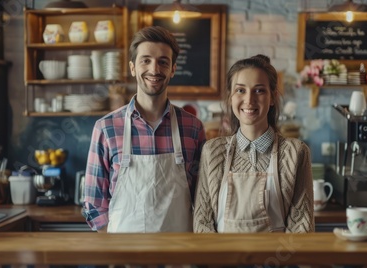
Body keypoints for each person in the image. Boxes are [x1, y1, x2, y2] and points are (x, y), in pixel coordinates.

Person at [83, 26, 206, 233]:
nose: (154, 70)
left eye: (163, 62)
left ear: (173, 69)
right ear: (133, 68)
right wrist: (116, 249)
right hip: (124, 255)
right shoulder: (106, 128)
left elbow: (203, 198)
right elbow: (94, 204)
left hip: (179, 254)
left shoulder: (193, 128)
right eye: (146, 60)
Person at [193, 54, 314, 233]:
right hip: (223, 259)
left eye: (259, 90)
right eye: (240, 90)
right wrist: (218, 261)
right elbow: (202, 223)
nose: (249, 100)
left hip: (275, 260)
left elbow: (301, 228)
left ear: (272, 97)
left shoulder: (295, 153)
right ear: (230, 97)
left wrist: (274, 261)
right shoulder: (212, 151)